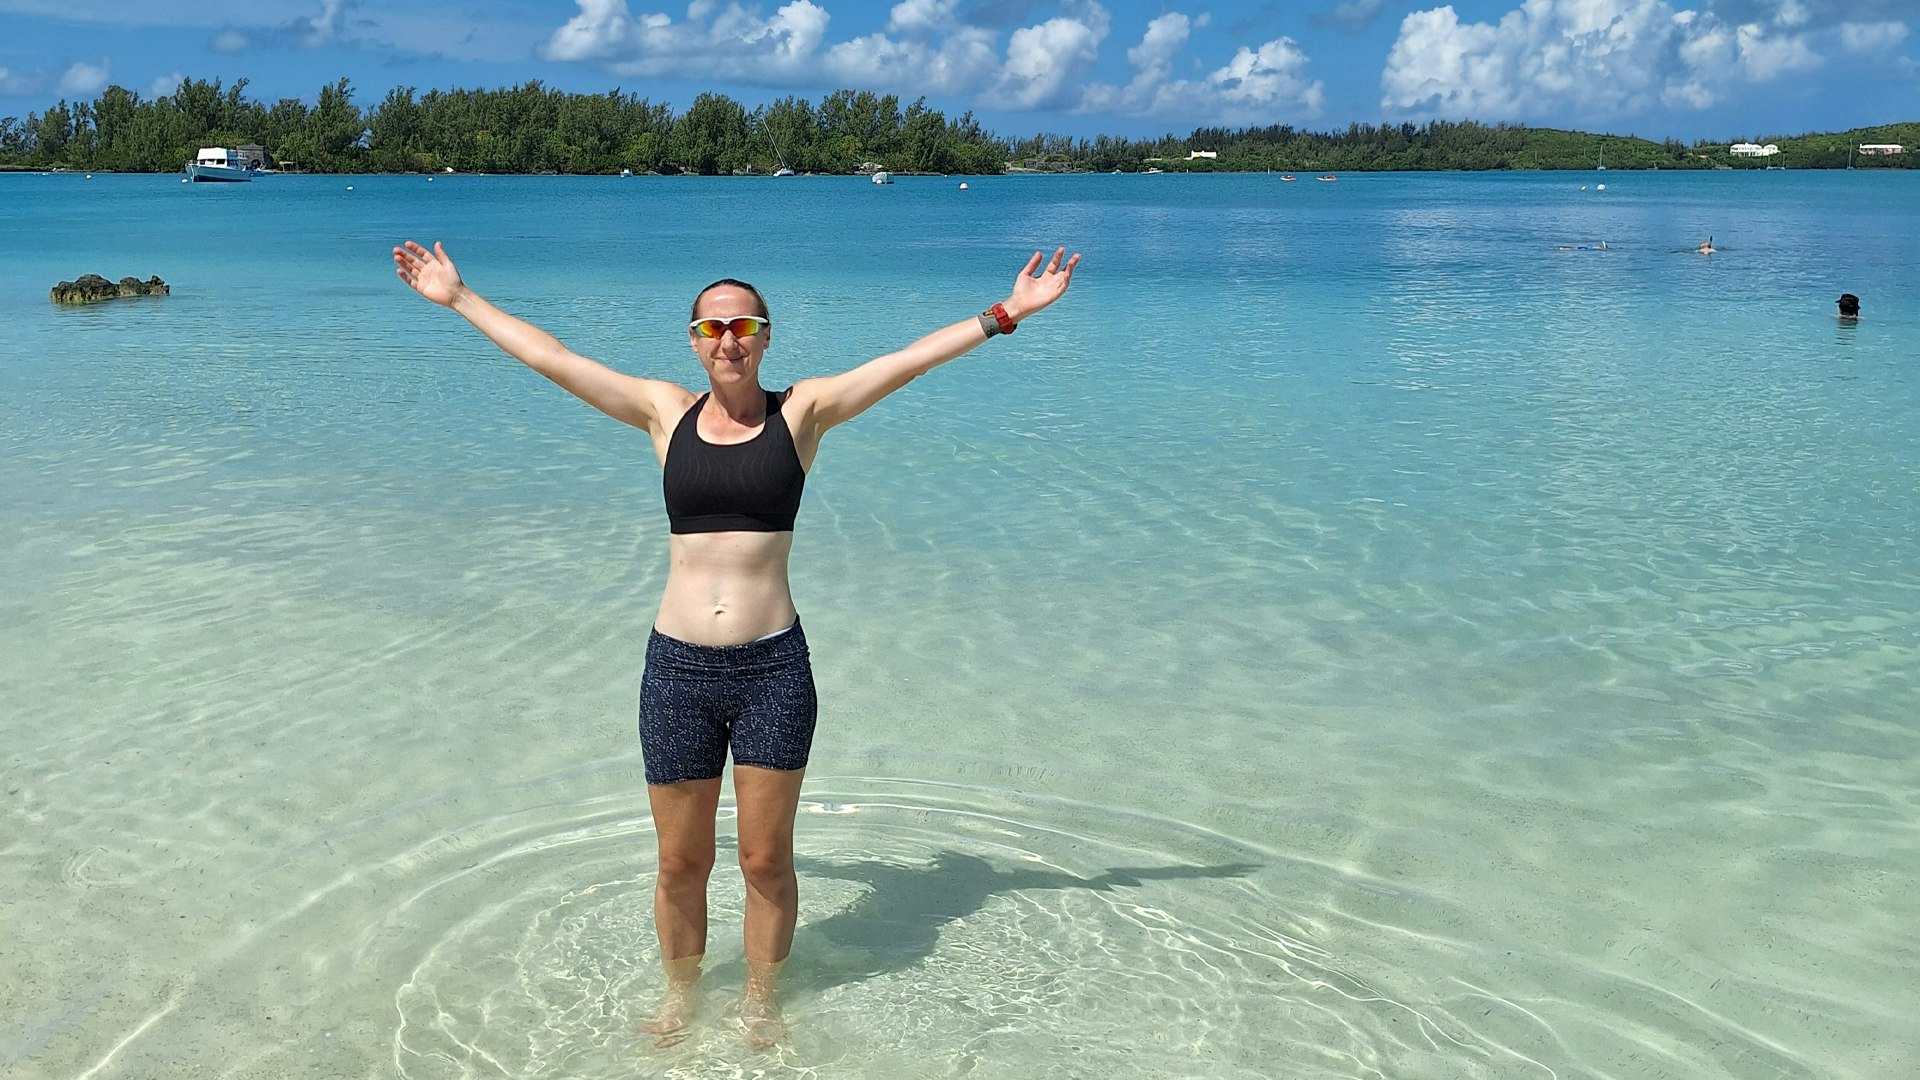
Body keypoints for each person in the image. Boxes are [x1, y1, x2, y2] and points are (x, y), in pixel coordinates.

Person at [391, 239, 1080, 1047]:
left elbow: (905, 363)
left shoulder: (804, 412)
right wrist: (461, 298)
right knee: (681, 865)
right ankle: (680, 995)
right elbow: (554, 358)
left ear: (765, 335)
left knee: (764, 861)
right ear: (693, 339)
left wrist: (1007, 313)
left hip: (772, 672)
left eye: (743, 324)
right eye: (712, 326)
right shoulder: (662, 412)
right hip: (676, 671)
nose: (728, 338)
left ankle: (760, 998)